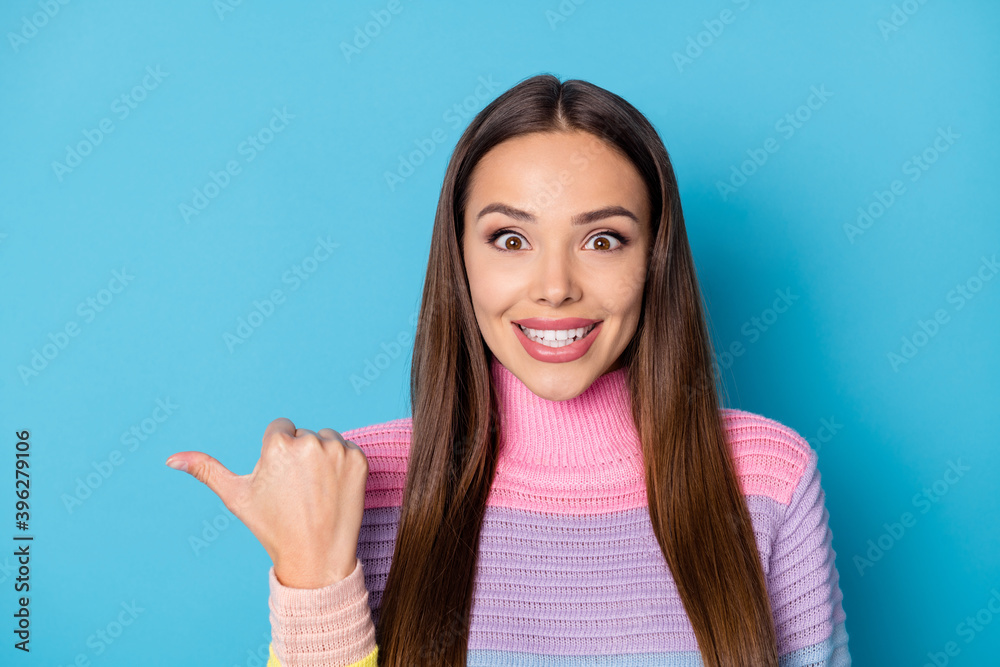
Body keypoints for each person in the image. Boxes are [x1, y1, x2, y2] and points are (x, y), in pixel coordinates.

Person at [165, 74, 851, 667]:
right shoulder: (358, 485)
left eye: (603, 239)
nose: (555, 286)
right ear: (459, 259)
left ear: (655, 261)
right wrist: (313, 581)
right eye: (511, 239)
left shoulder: (767, 477)